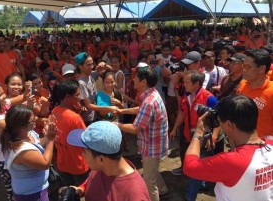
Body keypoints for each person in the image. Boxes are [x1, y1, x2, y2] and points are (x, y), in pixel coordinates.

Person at [184, 95, 273, 201]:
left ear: (230, 124)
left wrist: (198, 133)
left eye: (220, 122)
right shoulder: (270, 146)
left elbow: (189, 167)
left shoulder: (231, 162)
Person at [116, 65, 170, 201]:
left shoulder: (148, 102)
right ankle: (164, 190)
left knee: (149, 183)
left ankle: (159, 194)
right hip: (156, 143)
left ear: (144, 81)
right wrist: (123, 111)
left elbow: (135, 128)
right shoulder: (152, 94)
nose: (133, 79)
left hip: (151, 147)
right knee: (151, 171)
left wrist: (117, 125)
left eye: (136, 78)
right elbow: (140, 110)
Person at [62, 121, 151, 201]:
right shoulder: (101, 167)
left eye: (84, 151)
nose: (82, 155)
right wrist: (80, 190)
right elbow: (91, 181)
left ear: (101, 159)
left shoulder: (135, 195)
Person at [169, 70, 221, 201]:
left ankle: (189, 197)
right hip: (189, 136)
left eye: (187, 82)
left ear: (197, 83)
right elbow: (181, 113)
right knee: (199, 166)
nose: (184, 84)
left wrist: (213, 137)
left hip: (203, 138)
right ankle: (202, 184)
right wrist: (175, 128)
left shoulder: (209, 98)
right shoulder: (186, 96)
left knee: (196, 168)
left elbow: (219, 120)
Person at [0, 82, 30, 201]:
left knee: (22, 185)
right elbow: (16, 125)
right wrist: (29, 109)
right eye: (0, 94)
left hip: (12, 152)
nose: (4, 96)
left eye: (3, 92)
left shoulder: (3, 105)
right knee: (13, 189)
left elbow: (22, 97)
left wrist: (28, 90)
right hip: (4, 159)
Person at [1, 105, 56, 201]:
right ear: (21, 126)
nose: (35, 121)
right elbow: (45, 163)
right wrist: (51, 139)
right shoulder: (22, 149)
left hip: (37, 189)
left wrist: (47, 136)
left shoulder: (27, 134)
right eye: (32, 121)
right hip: (31, 194)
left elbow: (38, 145)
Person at [51, 79, 90, 187]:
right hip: (78, 165)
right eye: (77, 94)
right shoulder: (75, 118)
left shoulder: (55, 111)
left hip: (62, 163)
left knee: (69, 193)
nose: (80, 97)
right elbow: (85, 141)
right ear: (68, 97)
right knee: (86, 190)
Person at [237, 49, 273, 139]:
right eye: (243, 66)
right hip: (240, 143)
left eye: (248, 67)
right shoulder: (242, 84)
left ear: (262, 69)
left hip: (263, 148)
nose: (244, 70)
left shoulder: (271, 92)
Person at [74, 52, 117, 126]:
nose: (91, 67)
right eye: (88, 65)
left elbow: (111, 71)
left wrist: (105, 65)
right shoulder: (81, 83)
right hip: (88, 119)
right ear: (80, 66)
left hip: (96, 115)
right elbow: (89, 105)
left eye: (92, 64)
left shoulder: (92, 75)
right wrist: (108, 108)